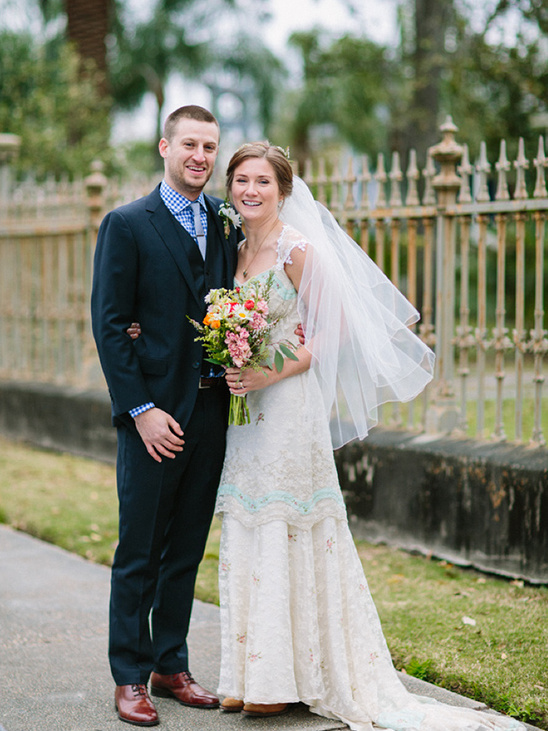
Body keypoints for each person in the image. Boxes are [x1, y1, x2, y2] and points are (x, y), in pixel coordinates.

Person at [214, 142, 523, 731]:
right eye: (241, 181)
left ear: (283, 190)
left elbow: (333, 332)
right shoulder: (236, 246)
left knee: (286, 521)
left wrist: (268, 370)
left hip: (288, 403)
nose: (250, 191)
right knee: (250, 519)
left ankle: (286, 680)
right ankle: (250, 675)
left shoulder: (298, 249)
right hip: (247, 409)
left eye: (262, 182)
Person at [91, 105, 241, 727]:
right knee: (140, 548)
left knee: (186, 547)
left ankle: (170, 663)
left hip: (212, 411)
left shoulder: (227, 225)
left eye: (209, 146)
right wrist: (142, 409)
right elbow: (109, 324)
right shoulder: (126, 224)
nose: (200, 156)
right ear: (164, 146)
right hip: (153, 418)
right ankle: (129, 675)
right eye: (189, 144)